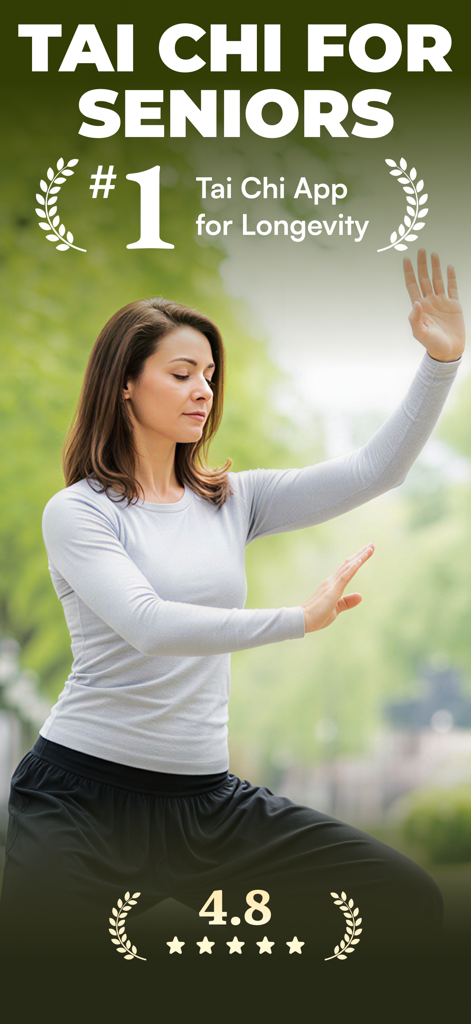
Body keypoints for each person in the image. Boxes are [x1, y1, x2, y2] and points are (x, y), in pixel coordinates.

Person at [0, 250, 465, 968]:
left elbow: (375, 470)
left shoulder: (230, 500)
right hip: (82, 803)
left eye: (209, 376)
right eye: (181, 374)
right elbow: (149, 625)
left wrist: (439, 363)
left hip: (207, 807)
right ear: (124, 385)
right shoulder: (80, 513)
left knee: (400, 898)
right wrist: (296, 619)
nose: (203, 391)